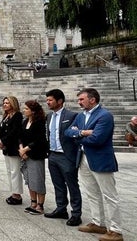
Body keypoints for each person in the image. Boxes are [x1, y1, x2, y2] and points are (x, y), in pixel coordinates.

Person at [65, 88, 124, 241]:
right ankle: (97, 223)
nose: (79, 102)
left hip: (100, 159)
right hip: (84, 158)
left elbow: (97, 139)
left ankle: (116, 231)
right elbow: (68, 132)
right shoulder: (80, 116)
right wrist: (83, 133)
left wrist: (78, 135)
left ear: (92, 99)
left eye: (81, 99)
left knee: (109, 195)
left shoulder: (105, 116)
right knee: (91, 192)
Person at [44, 89, 82, 226]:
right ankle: (61, 209)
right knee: (58, 184)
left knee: (72, 185)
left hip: (66, 156)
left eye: (50, 100)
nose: (47, 102)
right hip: (53, 154)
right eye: (47, 100)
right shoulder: (49, 116)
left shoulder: (72, 115)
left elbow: (75, 134)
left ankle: (76, 214)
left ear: (59, 101)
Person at [19, 100, 48, 215]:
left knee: (38, 179)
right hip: (25, 154)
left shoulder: (40, 122)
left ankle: (40, 205)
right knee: (29, 180)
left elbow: (40, 140)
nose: (24, 110)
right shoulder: (25, 121)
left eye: (26, 109)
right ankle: (33, 202)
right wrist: (21, 149)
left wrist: (26, 149)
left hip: (36, 154)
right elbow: (20, 136)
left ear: (33, 111)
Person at [0, 96, 24, 205]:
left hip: (13, 147)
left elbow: (15, 131)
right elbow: (2, 130)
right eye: (4, 103)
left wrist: (3, 141)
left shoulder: (17, 115)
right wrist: (0, 140)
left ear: (13, 104)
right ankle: (13, 192)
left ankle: (17, 195)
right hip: (6, 148)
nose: (5, 105)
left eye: (7, 103)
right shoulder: (6, 116)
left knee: (15, 172)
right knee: (9, 171)